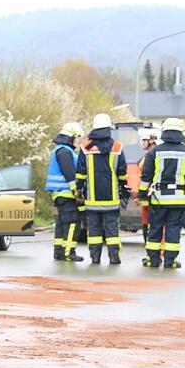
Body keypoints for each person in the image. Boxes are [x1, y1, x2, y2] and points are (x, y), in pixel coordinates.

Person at [136, 117, 185, 268]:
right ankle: (170, 261)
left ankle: (153, 260)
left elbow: (146, 175)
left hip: (159, 198)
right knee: (173, 229)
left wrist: (142, 193)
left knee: (155, 229)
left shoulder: (154, 152)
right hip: (178, 199)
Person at [76, 113, 129, 264]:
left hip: (92, 200)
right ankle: (114, 257)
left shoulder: (85, 148)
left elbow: (80, 174)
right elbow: (122, 173)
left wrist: (78, 191)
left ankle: (95, 258)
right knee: (112, 230)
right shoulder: (117, 147)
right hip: (111, 200)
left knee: (93, 230)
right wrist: (124, 191)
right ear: (109, 129)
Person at [45, 122, 85, 261]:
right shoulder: (65, 152)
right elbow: (70, 173)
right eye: (77, 138)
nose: (78, 141)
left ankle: (59, 252)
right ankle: (69, 252)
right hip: (67, 194)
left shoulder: (60, 150)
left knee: (62, 223)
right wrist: (77, 192)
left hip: (60, 194)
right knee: (73, 222)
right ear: (71, 137)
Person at [136, 127, 159, 231]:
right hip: (148, 194)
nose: (142, 143)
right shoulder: (148, 155)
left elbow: (146, 176)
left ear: (151, 141)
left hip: (150, 194)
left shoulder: (152, 155)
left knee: (150, 221)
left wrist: (141, 193)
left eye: (144, 140)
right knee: (147, 220)